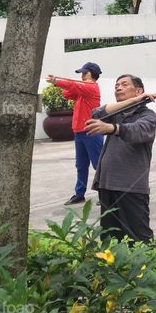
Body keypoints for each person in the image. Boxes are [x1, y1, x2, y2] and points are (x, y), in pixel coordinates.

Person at [85, 75, 156, 243]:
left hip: (131, 186)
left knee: (139, 237)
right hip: (107, 184)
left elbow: (138, 131)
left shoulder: (147, 115)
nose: (118, 87)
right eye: (116, 85)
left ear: (139, 90)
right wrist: (134, 100)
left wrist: (112, 128)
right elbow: (96, 114)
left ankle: (149, 260)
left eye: (124, 84)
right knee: (109, 237)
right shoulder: (116, 113)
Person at [47, 61, 104, 206]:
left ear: (92, 74)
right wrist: (75, 86)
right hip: (79, 132)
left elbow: (72, 86)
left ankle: (105, 193)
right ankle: (80, 194)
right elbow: (66, 93)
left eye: (85, 72)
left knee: (99, 164)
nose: (82, 75)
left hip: (91, 131)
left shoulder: (92, 87)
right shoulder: (83, 90)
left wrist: (57, 81)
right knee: (81, 165)